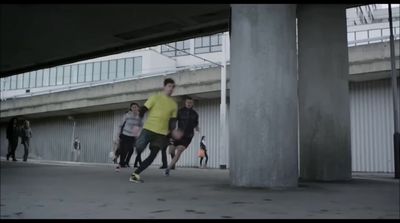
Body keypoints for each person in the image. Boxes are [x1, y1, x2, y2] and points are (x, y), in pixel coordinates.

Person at [129, 78, 183, 183]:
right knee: (139, 148)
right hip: (148, 129)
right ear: (164, 87)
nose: (171, 89)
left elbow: (172, 121)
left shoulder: (174, 105)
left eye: (173, 87)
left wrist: (173, 131)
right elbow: (143, 110)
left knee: (152, 156)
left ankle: (135, 174)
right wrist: (137, 125)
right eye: (169, 86)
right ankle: (137, 144)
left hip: (161, 135)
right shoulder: (155, 97)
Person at [165, 96, 199, 176]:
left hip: (188, 136)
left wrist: (197, 127)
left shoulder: (195, 114)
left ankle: (168, 168)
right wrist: (171, 131)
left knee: (179, 150)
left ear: (192, 103)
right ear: (185, 103)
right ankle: (173, 154)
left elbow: (196, 123)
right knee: (170, 151)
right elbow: (173, 121)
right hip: (178, 134)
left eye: (190, 103)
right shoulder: (180, 111)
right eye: (188, 102)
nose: (189, 104)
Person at [115, 102, 143, 171]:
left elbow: (140, 126)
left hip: (132, 136)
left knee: (129, 149)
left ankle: (122, 162)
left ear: (138, 108)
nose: (134, 108)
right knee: (123, 149)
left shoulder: (139, 117)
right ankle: (121, 163)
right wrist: (118, 134)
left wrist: (137, 135)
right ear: (131, 108)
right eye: (133, 107)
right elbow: (120, 125)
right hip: (124, 134)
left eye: (135, 107)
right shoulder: (127, 115)